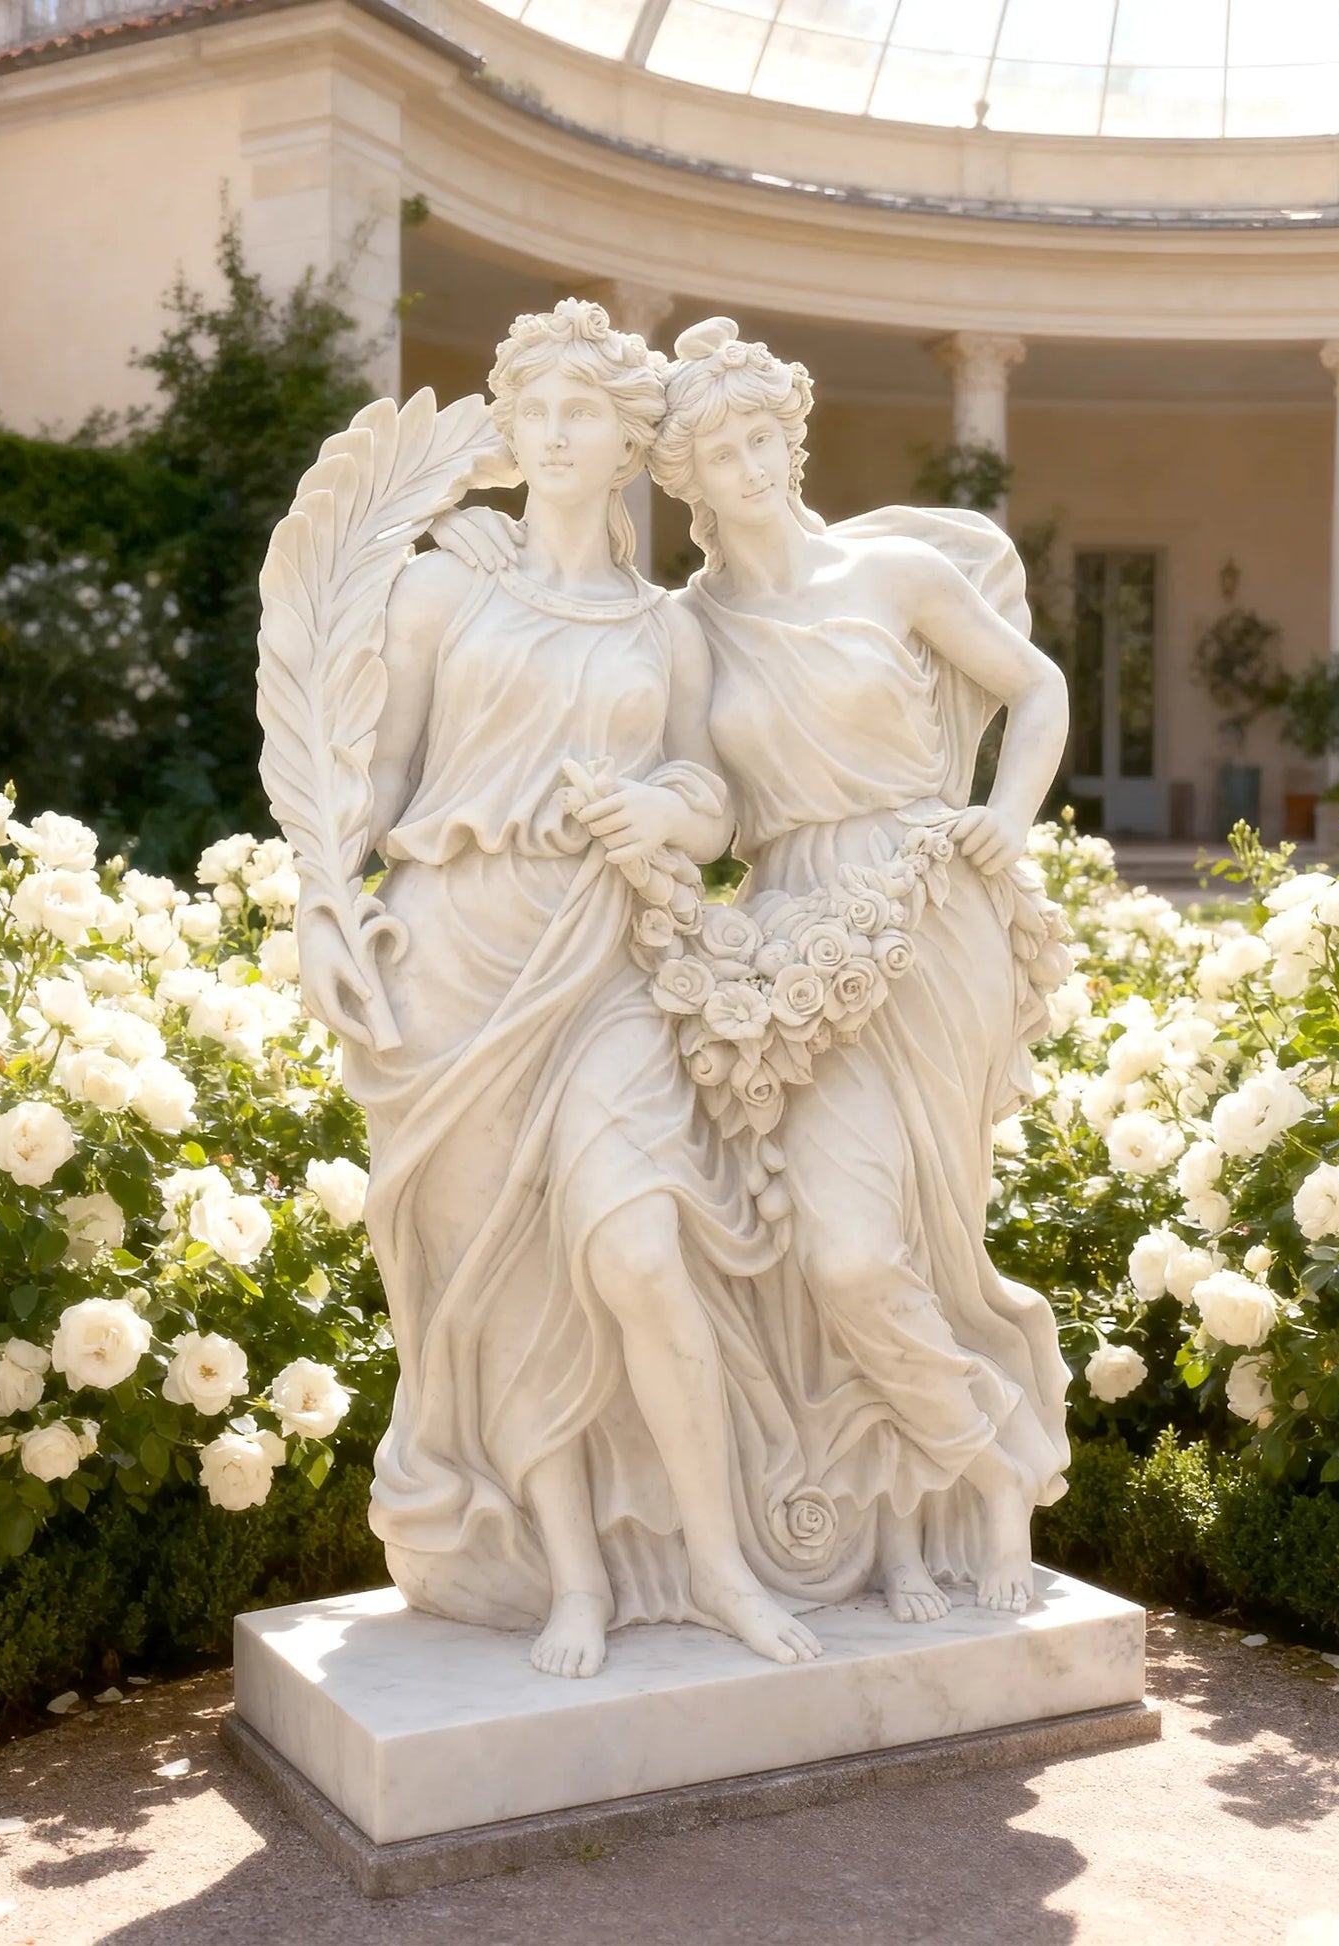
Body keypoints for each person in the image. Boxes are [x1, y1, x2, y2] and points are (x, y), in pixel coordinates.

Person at [349, 301, 828, 1678]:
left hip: (606, 955)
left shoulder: (662, 626)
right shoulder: (444, 585)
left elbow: (710, 798)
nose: (551, 437)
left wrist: (657, 814)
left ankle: (721, 1566)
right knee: (503, 1276)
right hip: (454, 948)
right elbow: (379, 777)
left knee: (637, 1256)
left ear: (628, 440)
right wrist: (325, 898)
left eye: (581, 415)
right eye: (532, 412)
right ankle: (567, 1580)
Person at [646, 318, 1075, 1615]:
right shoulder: (688, 627)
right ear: (687, 482)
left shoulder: (891, 576)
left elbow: (1037, 688)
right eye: (718, 447)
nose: (750, 460)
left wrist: (1001, 821)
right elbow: (696, 801)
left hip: (926, 922)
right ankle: (988, 1460)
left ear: (793, 433)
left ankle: (925, 1518)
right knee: (830, 1252)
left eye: (762, 431)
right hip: (787, 936)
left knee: (929, 1231)